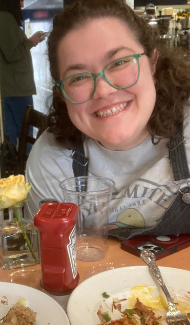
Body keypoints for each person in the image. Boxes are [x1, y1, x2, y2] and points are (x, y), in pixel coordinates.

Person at [26, 0, 190, 239]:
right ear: (62, 94)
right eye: (79, 77)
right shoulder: (51, 160)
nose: (103, 90)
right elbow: (51, 256)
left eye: (119, 63)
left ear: (153, 63)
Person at [0, 0, 45, 152]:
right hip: (16, 88)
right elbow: (12, 54)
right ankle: (26, 163)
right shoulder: (4, 18)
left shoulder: (3, 18)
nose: (22, 4)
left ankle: (14, 164)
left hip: (13, 87)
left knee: (11, 135)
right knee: (25, 134)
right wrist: (31, 42)